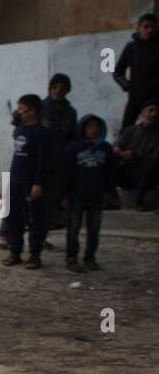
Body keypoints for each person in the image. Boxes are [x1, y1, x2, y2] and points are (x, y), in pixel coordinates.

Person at [60, 114, 118, 273]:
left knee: (94, 229)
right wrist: (64, 196)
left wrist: (110, 192)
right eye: (90, 126)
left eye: (96, 126)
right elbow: (64, 174)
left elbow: (111, 173)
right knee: (73, 229)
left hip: (96, 196)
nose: (94, 130)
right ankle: (71, 259)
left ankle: (90, 258)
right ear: (82, 128)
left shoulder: (105, 149)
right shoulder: (72, 149)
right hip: (76, 197)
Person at [4, 94, 50, 269]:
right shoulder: (19, 130)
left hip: (30, 183)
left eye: (22, 109)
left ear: (33, 111)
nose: (19, 113)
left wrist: (38, 183)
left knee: (34, 220)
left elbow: (42, 160)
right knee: (13, 217)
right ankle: (15, 252)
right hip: (15, 179)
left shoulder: (41, 133)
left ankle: (34, 255)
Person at [40, 73, 77, 233]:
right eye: (55, 87)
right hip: (41, 157)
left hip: (60, 157)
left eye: (62, 88)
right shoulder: (40, 107)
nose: (58, 91)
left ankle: (51, 221)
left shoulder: (70, 111)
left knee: (56, 191)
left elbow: (72, 135)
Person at [113, 13, 158, 132]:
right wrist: (127, 85)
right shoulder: (132, 47)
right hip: (135, 97)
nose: (150, 30)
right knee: (127, 129)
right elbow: (117, 72)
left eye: (153, 27)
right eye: (146, 26)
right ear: (138, 28)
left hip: (155, 98)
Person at [114, 98, 159, 211]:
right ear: (143, 112)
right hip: (128, 173)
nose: (154, 114)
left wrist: (135, 155)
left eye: (157, 111)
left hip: (149, 177)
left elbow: (155, 158)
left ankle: (137, 201)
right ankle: (109, 198)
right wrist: (118, 150)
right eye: (151, 110)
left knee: (149, 164)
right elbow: (118, 146)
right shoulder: (131, 130)